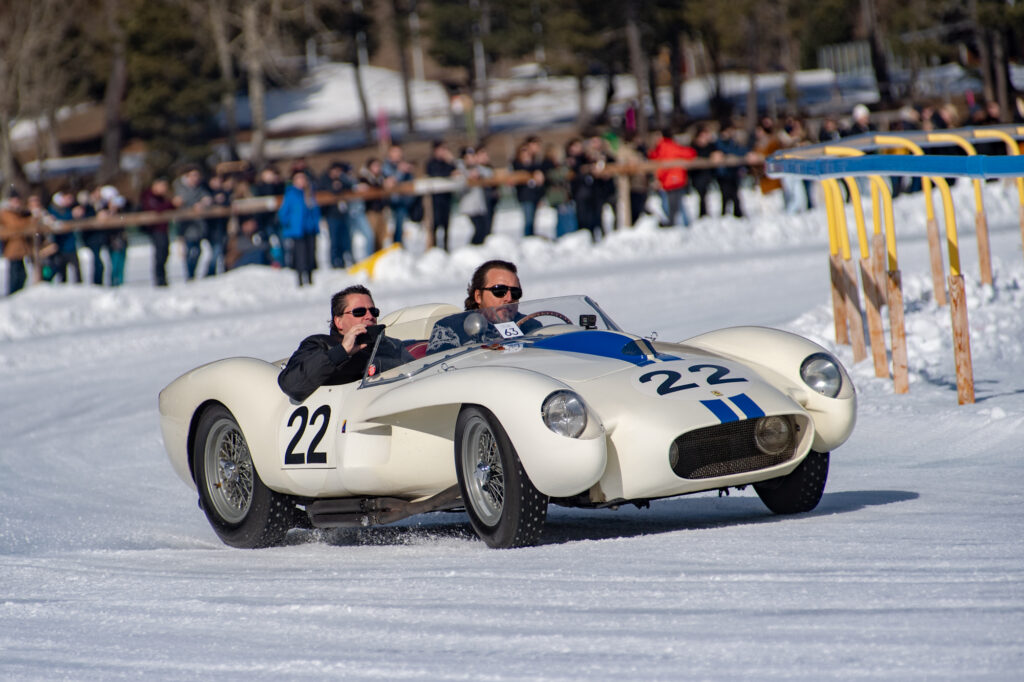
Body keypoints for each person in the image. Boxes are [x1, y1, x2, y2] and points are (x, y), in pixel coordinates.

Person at [278, 285, 414, 402]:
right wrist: (341, 351)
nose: (369, 316)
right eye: (359, 312)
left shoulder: (392, 346)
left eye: (373, 311)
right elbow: (292, 385)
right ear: (339, 322)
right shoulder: (320, 344)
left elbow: (415, 377)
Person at [427, 259, 540, 353]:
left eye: (515, 292)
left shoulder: (530, 326)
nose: (509, 298)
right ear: (478, 296)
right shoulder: (450, 328)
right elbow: (439, 372)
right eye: (499, 290)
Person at [277, 169, 321, 286]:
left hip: (310, 229)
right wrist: (290, 224)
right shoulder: (291, 194)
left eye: (303, 178)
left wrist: (315, 222)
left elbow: (316, 211)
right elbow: (283, 213)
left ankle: (311, 277)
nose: (301, 181)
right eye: (299, 179)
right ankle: (300, 279)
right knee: (300, 255)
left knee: (311, 254)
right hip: (297, 231)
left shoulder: (309, 193)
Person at [647, 128, 696, 228]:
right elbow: (690, 153)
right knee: (677, 203)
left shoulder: (663, 147)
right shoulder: (673, 146)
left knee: (671, 204)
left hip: (669, 180)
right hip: (676, 179)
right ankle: (685, 223)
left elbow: (657, 162)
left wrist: (658, 178)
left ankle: (674, 223)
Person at [172, 166, 212, 280]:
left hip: (199, 225)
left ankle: (192, 273)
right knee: (190, 251)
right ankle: (189, 274)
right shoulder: (181, 188)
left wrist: (205, 202)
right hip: (187, 226)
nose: (196, 178)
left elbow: (207, 197)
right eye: (193, 175)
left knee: (198, 250)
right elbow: (178, 202)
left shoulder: (200, 188)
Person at [139, 178, 176, 286]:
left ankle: (162, 278)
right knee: (160, 255)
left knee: (165, 252)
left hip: (163, 229)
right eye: (163, 186)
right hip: (155, 230)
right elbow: (157, 209)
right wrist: (171, 204)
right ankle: (159, 279)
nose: (165, 189)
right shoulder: (148, 196)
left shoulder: (161, 198)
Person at [426, 140, 457, 251]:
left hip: (446, 198)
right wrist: (449, 174)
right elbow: (436, 174)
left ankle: (445, 248)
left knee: (446, 224)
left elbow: (457, 171)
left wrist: (451, 161)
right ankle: (434, 248)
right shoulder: (431, 163)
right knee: (435, 224)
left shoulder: (447, 162)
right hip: (434, 200)